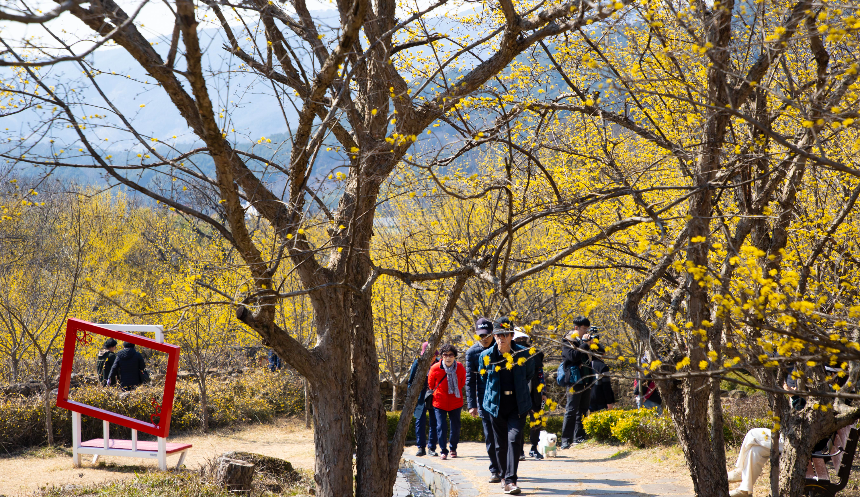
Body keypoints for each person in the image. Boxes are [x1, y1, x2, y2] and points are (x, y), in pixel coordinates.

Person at [480, 320, 535, 495]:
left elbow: (529, 375)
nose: (501, 339)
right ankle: (503, 477)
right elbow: (484, 379)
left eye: (505, 335)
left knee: (515, 438)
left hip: (517, 404)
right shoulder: (486, 356)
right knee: (500, 444)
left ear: (512, 336)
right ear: (493, 336)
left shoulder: (524, 353)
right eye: (498, 335)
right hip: (496, 404)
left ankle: (511, 480)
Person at [466, 318, 502, 481]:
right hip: (483, 400)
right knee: (489, 436)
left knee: (502, 436)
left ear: (492, 334)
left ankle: (506, 469)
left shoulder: (501, 348)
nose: (484, 338)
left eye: (487, 335)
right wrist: (472, 405)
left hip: (501, 398)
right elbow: (469, 381)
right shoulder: (472, 353)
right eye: (481, 335)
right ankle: (494, 469)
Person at [560, 316, 594, 448]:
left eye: (587, 329)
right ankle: (565, 440)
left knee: (583, 409)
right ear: (576, 328)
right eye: (584, 329)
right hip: (574, 380)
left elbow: (599, 353)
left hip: (586, 378)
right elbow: (573, 357)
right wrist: (585, 343)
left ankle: (579, 437)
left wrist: (592, 343)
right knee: (571, 409)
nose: (586, 332)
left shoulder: (584, 340)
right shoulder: (568, 340)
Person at [428, 343, 466, 460]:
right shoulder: (435, 368)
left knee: (455, 427)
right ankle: (443, 450)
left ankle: (453, 448)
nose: (448, 357)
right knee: (441, 427)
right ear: (442, 356)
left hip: (455, 402)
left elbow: (462, 382)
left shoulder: (460, 367)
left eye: (451, 355)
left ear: (454, 356)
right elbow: (431, 384)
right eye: (445, 355)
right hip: (440, 402)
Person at [513, 329, 546, 460]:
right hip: (518, 392)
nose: (521, 342)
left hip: (535, 391)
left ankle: (534, 447)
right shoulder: (511, 353)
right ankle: (519, 450)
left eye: (523, 339)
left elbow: (540, 373)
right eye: (518, 339)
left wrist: (543, 391)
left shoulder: (535, 353)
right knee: (518, 422)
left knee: (536, 419)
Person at [408, 342, 439, 457]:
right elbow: (411, 382)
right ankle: (421, 447)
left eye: (434, 355)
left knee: (434, 422)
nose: (432, 358)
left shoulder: (439, 363)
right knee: (419, 422)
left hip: (434, 396)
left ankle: (432, 447)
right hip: (421, 397)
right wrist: (411, 397)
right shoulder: (418, 363)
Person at [589, 341, 615, 412]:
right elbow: (606, 386)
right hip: (601, 399)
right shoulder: (603, 367)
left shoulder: (587, 365)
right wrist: (609, 402)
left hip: (589, 398)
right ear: (602, 354)